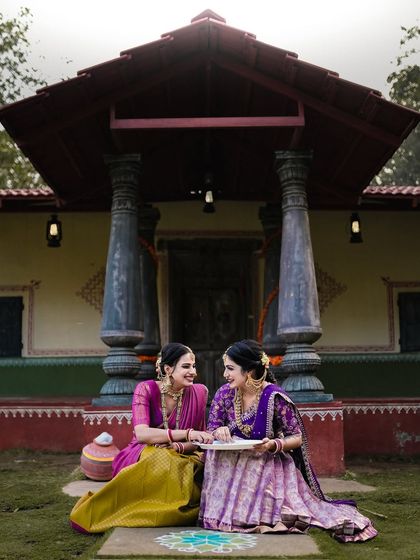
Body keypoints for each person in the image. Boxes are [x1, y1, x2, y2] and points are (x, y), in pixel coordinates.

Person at [198, 339, 378, 543]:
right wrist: (218, 431)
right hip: (231, 463)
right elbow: (211, 430)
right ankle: (225, 514)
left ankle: (247, 514)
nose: (225, 374)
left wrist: (273, 445)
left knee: (269, 490)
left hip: (264, 462)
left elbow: (297, 437)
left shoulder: (274, 396)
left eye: (230, 368)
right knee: (214, 454)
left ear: (248, 370)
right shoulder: (224, 394)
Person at [70, 342, 213, 533]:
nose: (193, 372)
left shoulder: (199, 392)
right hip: (143, 451)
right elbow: (143, 434)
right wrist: (186, 433)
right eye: (186, 366)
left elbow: (200, 440)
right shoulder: (145, 389)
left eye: (194, 366)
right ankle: (101, 512)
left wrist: (179, 446)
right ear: (168, 369)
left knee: (184, 464)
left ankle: (173, 510)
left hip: (185, 453)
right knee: (160, 458)